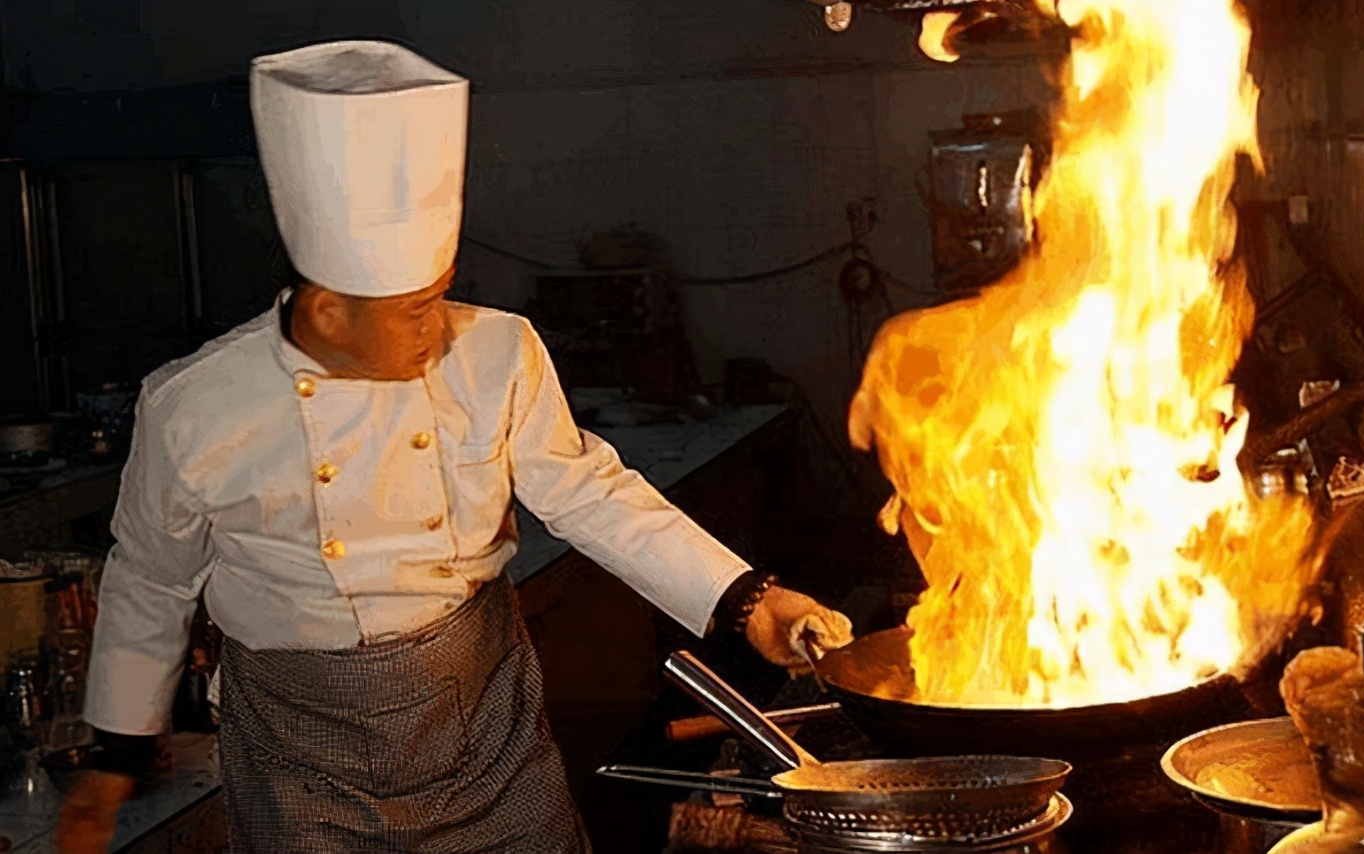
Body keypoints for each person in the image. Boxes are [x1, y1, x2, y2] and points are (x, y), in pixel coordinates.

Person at [55, 40, 853, 854]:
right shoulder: (194, 405)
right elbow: (150, 581)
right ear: (329, 311)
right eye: (411, 309)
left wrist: (749, 602)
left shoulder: (496, 353)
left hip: (483, 735)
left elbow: (590, 494)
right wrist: (113, 759)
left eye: (437, 295)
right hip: (301, 758)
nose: (437, 326)